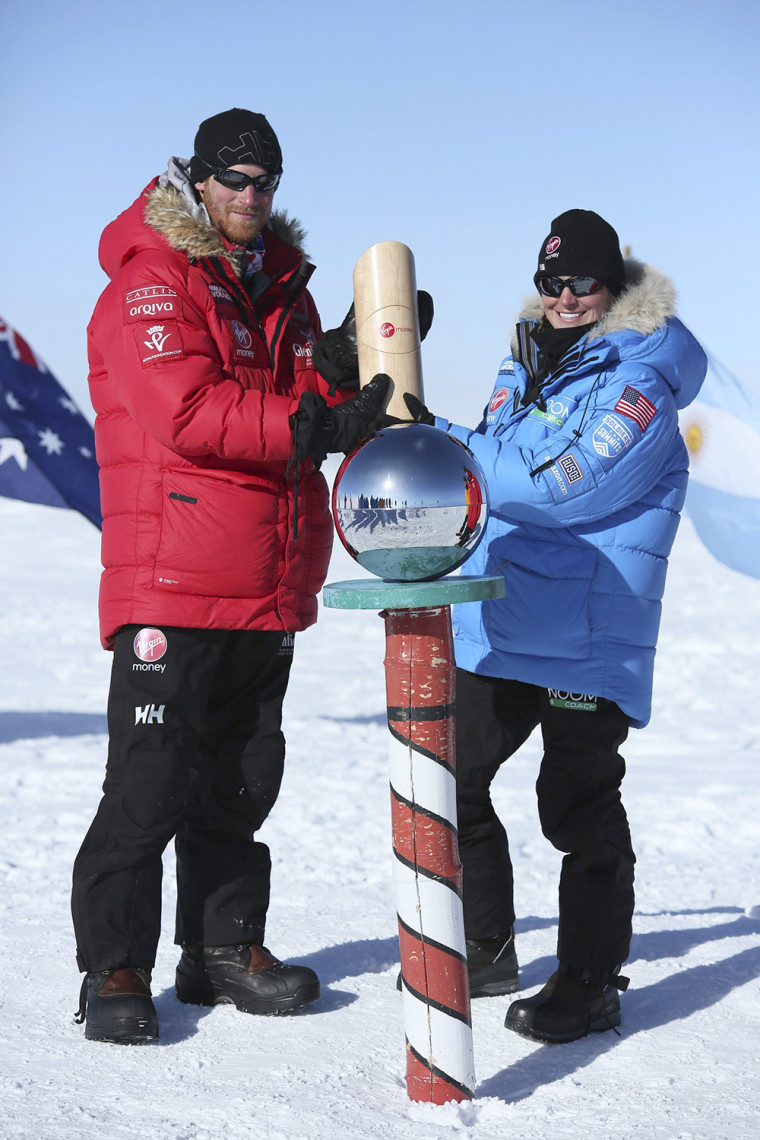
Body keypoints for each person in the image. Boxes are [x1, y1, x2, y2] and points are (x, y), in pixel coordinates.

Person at [72, 108, 392, 1044]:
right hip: (173, 579)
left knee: (242, 782)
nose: (251, 197)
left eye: (266, 183)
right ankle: (114, 967)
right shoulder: (152, 279)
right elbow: (190, 409)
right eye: (234, 179)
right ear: (197, 178)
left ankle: (218, 951)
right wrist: (310, 423)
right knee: (149, 783)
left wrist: (352, 364)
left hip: (264, 582)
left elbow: (308, 401)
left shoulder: (279, 287)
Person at [403, 209, 706, 1043]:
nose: (565, 296)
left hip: (588, 628)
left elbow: (557, 483)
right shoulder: (526, 358)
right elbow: (503, 463)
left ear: (615, 285)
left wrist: (433, 435)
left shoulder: (642, 379)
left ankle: (588, 981)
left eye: (581, 282)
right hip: (506, 615)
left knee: (576, 808)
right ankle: (487, 944)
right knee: (454, 776)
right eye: (551, 281)